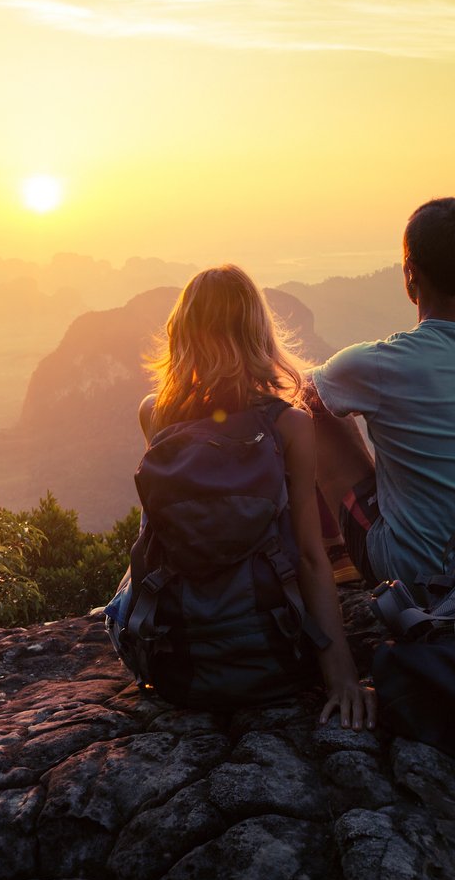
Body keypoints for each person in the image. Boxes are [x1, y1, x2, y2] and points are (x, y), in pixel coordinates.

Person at [132, 264, 374, 728]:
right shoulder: (290, 424)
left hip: (178, 664)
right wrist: (341, 676)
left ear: (182, 333)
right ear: (258, 332)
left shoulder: (155, 415)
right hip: (273, 654)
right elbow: (307, 555)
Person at [304, 198, 455, 586]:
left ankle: (334, 555)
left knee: (315, 412)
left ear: (410, 273)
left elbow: (298, 389)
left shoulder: (378, 364)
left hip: (413, 571)